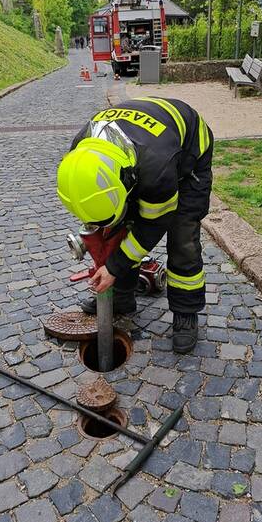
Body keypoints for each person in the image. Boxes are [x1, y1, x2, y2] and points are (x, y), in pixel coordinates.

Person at [56, 97, 213, 353]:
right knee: (120, 227)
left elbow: (151, 226)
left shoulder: (157, 169)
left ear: (127, 182)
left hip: (189, 155)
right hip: (140, 148)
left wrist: (114, 267)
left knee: (182, 237)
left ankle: (186, 313)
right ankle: (121, 298)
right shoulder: (80, 153)